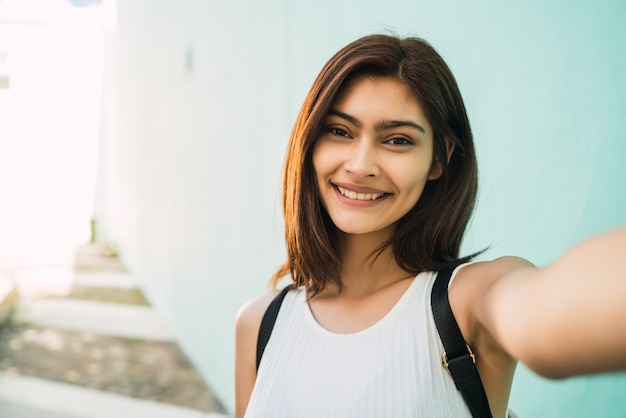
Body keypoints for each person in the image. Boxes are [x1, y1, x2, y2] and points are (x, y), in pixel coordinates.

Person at [234, 34, 626, 417]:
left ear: (439, 160)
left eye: (398, 140)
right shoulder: (260, 323)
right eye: (339, 131)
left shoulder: (469, 302)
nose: (360, 164)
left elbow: (548, 311)